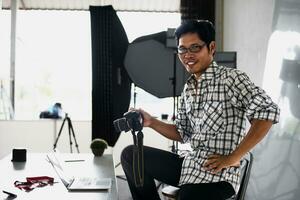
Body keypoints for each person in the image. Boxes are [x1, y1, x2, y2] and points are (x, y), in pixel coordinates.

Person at [120, 20, 280, 200]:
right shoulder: (187, 89)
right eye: (182, 49)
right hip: (191, 165)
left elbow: (267, 113)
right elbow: (182, 133)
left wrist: (235, 157)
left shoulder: (231, 79)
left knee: (188, 196)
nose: (187, 55)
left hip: (219, 175)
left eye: (195, 48)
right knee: (131, 155)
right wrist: (151, 122)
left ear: (211, 48)